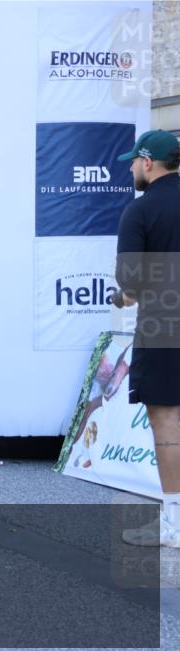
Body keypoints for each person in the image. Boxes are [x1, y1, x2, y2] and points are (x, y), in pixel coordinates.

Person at [114, 130, 180, 548]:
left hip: (164, 327)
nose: (131, 170)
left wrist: (119, 297)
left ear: (148, 162)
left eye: (134, 163)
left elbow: (131, 286)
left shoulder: (140, 211)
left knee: (169, 421)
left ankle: (175, 522)